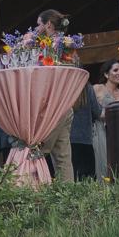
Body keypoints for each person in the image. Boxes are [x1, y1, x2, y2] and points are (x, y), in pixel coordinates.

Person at [32, 9, 79, 182]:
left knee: (37, 149)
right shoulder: (68, 45)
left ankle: (32, 191)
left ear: (48, 25)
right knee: (63, 156)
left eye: (38, 24)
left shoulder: (51, 47)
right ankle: (67, 197)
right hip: (67, 106)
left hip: (54, 105)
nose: (36, 29)